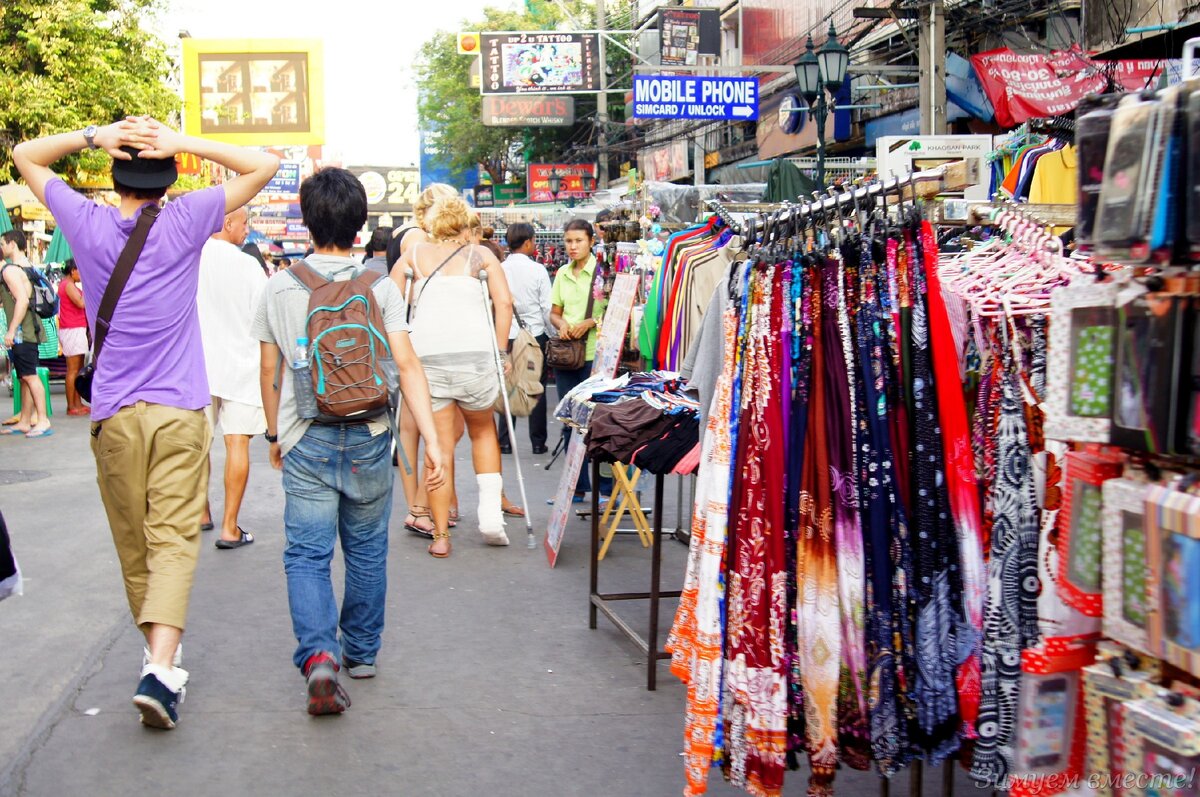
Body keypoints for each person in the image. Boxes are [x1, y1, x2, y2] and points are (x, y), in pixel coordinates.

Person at [14, 115, 280, 730]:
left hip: (113, 415)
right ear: (167, 181)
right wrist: (182, 142)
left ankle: (161, 660)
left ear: (114, 179)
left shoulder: (87, 221)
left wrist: (93, 135)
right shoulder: (188, 220)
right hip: (181, 411)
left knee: (135, 541)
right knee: (172, 538)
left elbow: (26, 155)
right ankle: (161, 666)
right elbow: (263, 165)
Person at [254, 167, 444, 714]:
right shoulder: (381, 286)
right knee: (365, 549)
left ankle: (319, 657)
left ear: (307, 223)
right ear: (361, 227)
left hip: (307, 435)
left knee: (308, 555)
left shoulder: (282, 285)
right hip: (369, 434)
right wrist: (431, 441)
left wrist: (274, 433)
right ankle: (360, 652)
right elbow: (406, 366)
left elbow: (270, 370)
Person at [396, 195, 514, 558]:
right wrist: (500, 351)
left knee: (440, 445)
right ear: (464, 224)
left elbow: (388, 300)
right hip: (477, 357)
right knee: (482, 432)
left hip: (429, 359)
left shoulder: (413, 256)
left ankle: (441, 536)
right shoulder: (482, 257)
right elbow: (505, 304)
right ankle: (491, 519)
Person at [197, 205, 268, 549]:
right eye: (244, 223)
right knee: (236, 443)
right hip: (242, 364)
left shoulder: (192, 259)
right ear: (227, 223)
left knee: (199, 443)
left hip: (199, 365)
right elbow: (263, 318)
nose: (247, 230)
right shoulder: (249, 265)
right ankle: (229, 527)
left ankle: (201, 512)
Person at [549, 219, 608, 501]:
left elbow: (614, 311)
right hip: (566, 357)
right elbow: (554, 311)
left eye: (578, 241)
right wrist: (560, 323)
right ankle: (577, 485)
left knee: (595, 420)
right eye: (569, 241)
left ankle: (604, 486)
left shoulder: (602, 273)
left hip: (594, 356)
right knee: (569, 419)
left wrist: (589, 322)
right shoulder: (562, 273)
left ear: (591, 242)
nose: (572, 247)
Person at [498, 222, 552, 455]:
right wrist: (553, 334)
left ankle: (504, 440)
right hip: (533, 336)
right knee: (534, 385)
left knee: (507, 385)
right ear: (528, 242)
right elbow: (546, 307)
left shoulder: (498, 269)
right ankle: (538, 442)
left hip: (505, 335)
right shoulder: (538, 270)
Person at [0, 230, 51, 438]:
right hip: (27, 330)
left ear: (12, 244)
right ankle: (24, 421)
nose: (2, 246)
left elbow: (22, 300)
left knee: (30, 375)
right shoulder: (19, 267)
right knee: (24, 376)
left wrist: (11, 330)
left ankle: (42, 419)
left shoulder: (11, 271)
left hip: (24, 332)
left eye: (3, 243)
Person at [58, 258, 89, 415]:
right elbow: (81, 303)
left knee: (78, 368)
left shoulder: (69, 285)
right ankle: (72, 405)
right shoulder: (68, 285)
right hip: (72, 328)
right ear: (72, 271)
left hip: (75, 328)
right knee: (73, 369)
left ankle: (77, 402)